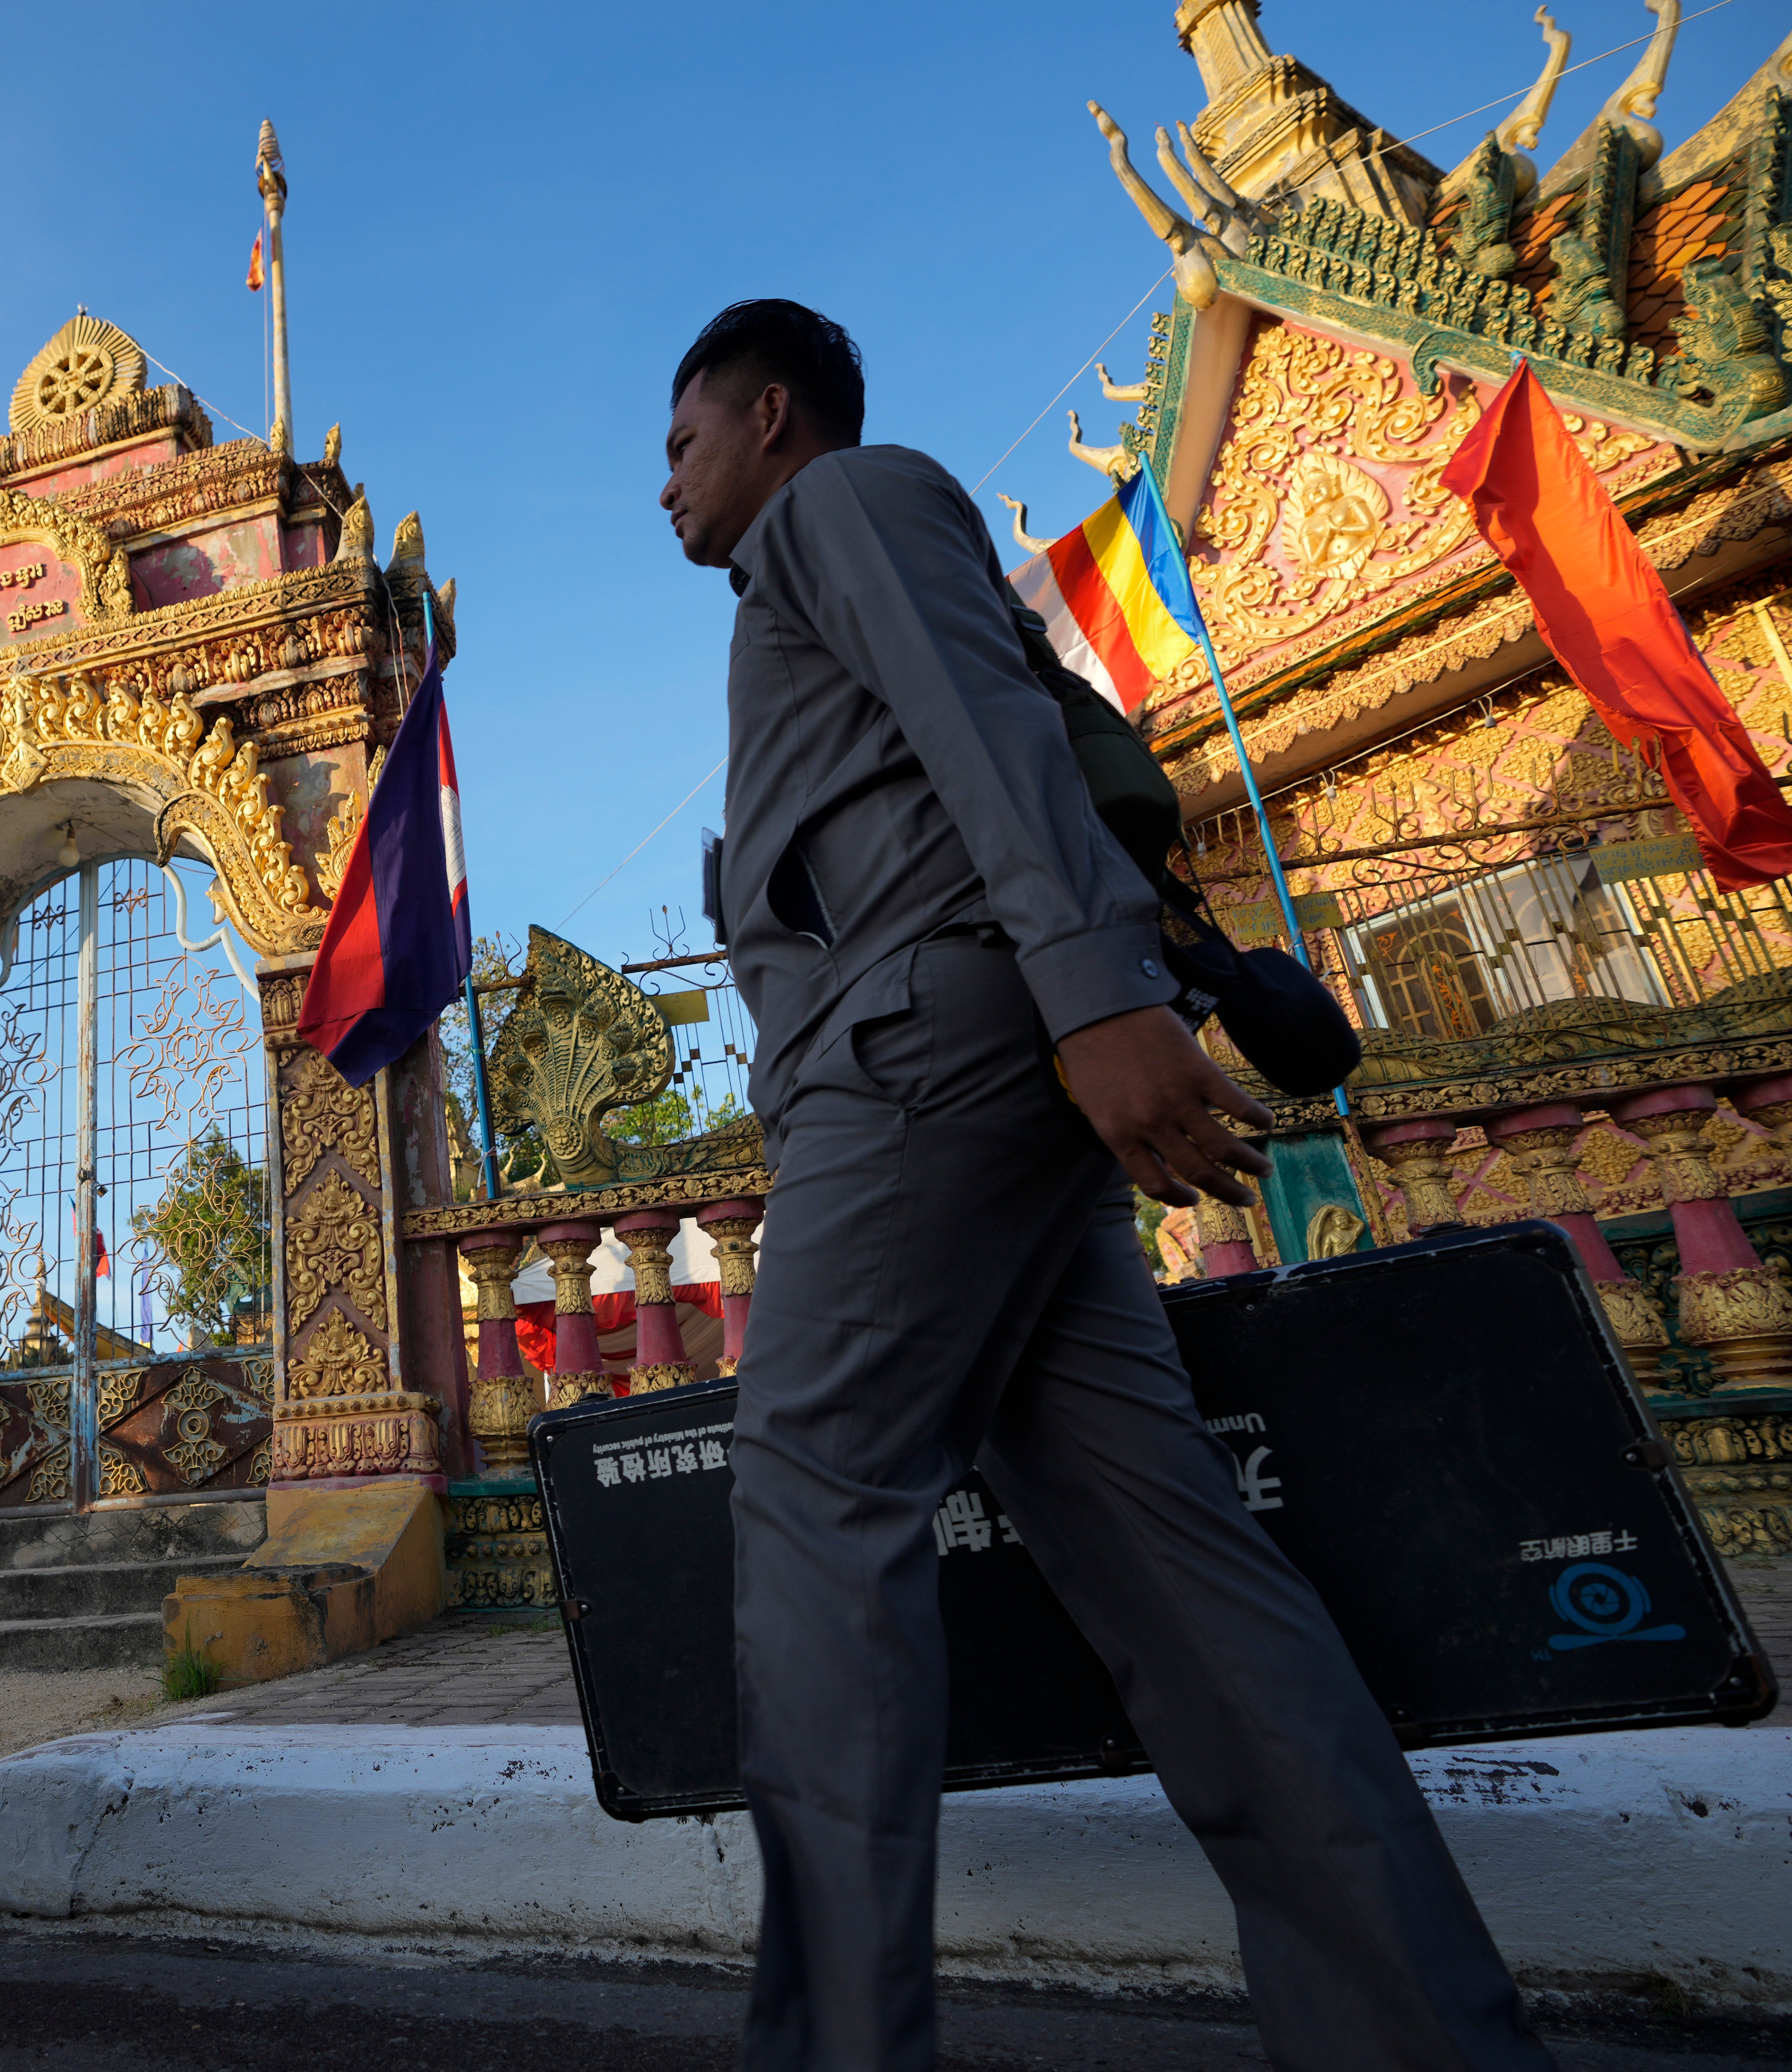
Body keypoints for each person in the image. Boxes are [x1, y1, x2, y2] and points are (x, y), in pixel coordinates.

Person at [659, 300, 1554, 2072]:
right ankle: (1418, 2040)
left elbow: (988, 731)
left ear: (770, 419)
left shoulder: (843, 506)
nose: (662, 485)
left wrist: (1099, 994)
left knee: (814, 1500)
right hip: (985, 1083)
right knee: (1179, 1572)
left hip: (923, 1054)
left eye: (679, 443)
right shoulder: (816, 573)